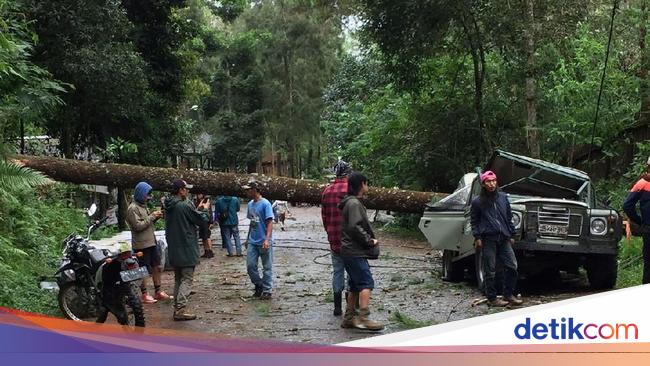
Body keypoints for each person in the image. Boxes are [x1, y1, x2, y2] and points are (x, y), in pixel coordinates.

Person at [470, 170, 523, 307]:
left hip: (504, 237)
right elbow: (474, 221)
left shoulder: (503, 197)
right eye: (488, 181)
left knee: (512, 266)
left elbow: (509, 217)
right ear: (483, 184)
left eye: (494, 181)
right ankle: (492, 298)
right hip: (488, 238)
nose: (492, 184)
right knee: (490, 269)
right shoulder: (478, 202)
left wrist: (512, 234)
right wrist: (477, 237)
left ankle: (508, 294)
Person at [339, 171, 384, 331]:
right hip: (355, 251)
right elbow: (355, 227)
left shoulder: (350, 202)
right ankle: (364, 318)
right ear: (361, 184)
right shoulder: (354, 204)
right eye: (366, 183)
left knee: (354, 285)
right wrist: (369, 241)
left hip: (349, 251)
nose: (367, 186)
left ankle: (349, 318)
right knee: (366, 283)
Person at [163, 179, 211, 321]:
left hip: (174, 248)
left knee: (178, 278)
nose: (188, 191)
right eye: (186, 189)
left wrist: (198, 209)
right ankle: (180, 309)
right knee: (187, 279)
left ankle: (177, 307)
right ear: (180, 190)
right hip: (186, 246)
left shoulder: (169, 206)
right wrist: (205, 210)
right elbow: (200, 219)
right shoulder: (183, 206)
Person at [126, 182, 172, 304]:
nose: (149, 197)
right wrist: (151, 217)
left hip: (151, 242)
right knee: (143, 270)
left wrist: (155, 217)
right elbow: (137, 226)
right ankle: (144, 294)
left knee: (157, 266)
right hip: (141, 244)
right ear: (141, 194)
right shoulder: (132, 208)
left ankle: (158, 291)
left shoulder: (143, 206)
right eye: (147, 194)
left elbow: (147, 224)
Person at [321, 160, 352, 316]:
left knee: (337, 272)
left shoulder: (327, 191)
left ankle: (337, 307)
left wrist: (330, 233)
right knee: (351, 273)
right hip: (350, 240)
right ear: (347, 174)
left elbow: (325, 218)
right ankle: (350, 307)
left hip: (334, 239)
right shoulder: (350, 190)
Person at [242, 180, 275, 300]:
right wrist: (247, 238)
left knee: (267, 267)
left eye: (248, 190)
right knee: (250, 266)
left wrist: (267, 239)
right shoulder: (250, 204)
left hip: (264, 240)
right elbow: (252, 222)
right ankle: (258, 284)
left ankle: (267, 290)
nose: (246, 192)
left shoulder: (266, 204)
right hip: (253, 240)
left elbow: (270, 222)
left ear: (255, 190)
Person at [623, 157, 650, 284]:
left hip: (648, 228)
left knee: (649, 263)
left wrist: (639, 221)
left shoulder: (642, 183)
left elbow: (627, 205)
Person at [193, 193, 215, 258]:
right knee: (203, 237)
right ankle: (206, 251)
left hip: (206, 222)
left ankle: (210, 251)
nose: (199, 196)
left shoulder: (206, 202)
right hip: (200, 222)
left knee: (207, 236)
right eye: (198, 194)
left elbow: (210, 212)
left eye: (200, 194)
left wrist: (211, 222)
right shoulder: (196, 202)